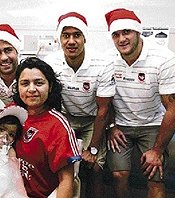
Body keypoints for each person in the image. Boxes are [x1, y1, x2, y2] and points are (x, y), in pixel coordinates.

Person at [104, 8, 175, 198]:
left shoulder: (164, 59)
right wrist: (111, 126)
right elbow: (104, 100)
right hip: (121, 125)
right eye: (116, 35)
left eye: (126, 32)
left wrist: (157, 150)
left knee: (155, 178)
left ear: (138, 32)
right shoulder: (108, 61)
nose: (121, 39)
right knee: (118, 175)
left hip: (153, 125)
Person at [43, 12, 115, 197]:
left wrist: (92, 149)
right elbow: (48, 102)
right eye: (66, 36)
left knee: (95, 168)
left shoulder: (102, 64)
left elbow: (103, 110)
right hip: (64, 118)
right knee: (60, 165)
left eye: (77, 35)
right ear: (59, 39)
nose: (71, 41)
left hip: (93, 119)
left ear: (85, 38)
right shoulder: (51, 63)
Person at [13, 57, 81, 198]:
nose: (31, 89)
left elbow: (66, 182)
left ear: (50, 87)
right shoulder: (11, 114)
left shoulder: (58, 126)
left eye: (39, 83)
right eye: (25, 83)